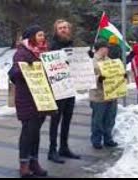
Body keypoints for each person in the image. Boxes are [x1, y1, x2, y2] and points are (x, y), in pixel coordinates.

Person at [9, 25, 49, 178]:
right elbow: (14, 73)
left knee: (36, 132)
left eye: (43, 35)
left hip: (42, 97)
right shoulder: (22, 53)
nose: (42, 38)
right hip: (27, 98)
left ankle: (34, 161)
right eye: (39, 35)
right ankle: (24, 164)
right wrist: (27, 68)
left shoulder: (44, 53)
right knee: (28, 132)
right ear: (31, 37)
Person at [48, 19, 80, 164]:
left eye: (65, 27)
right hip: (57, 88)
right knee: (55, 120)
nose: (63, 29)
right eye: (60, 28)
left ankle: (64, 147)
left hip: (70, 87)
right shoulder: (52, 46)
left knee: (67, 118)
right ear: (56, 30)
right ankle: (52, 150)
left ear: (69, 29)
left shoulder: (71, 45)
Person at [89, 40, 123, 150]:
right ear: (100, 48)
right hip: (98, 96)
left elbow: (116, 73)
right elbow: (87, 78)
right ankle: (96, 140)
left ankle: (108, 139)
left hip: (111, 94)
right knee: (98, 120)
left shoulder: (110, 60)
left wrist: (122, 76)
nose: (108, 50)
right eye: (106, 48)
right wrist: (98, 78)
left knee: (110, 119)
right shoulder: (92, 61)